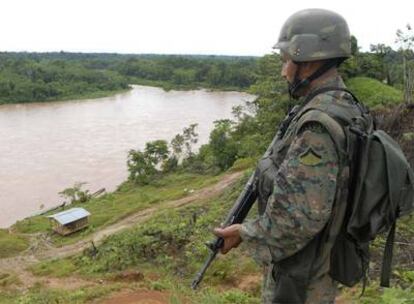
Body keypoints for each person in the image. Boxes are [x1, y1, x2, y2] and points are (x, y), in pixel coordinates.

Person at [214, 8, 369, 304]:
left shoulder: (317, 126)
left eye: (287, 61)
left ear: (308, 61)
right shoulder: (346, 105)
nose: (284, 71)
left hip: (301, 281)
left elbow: (297, 220)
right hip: (322, 263)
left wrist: (245, 233)